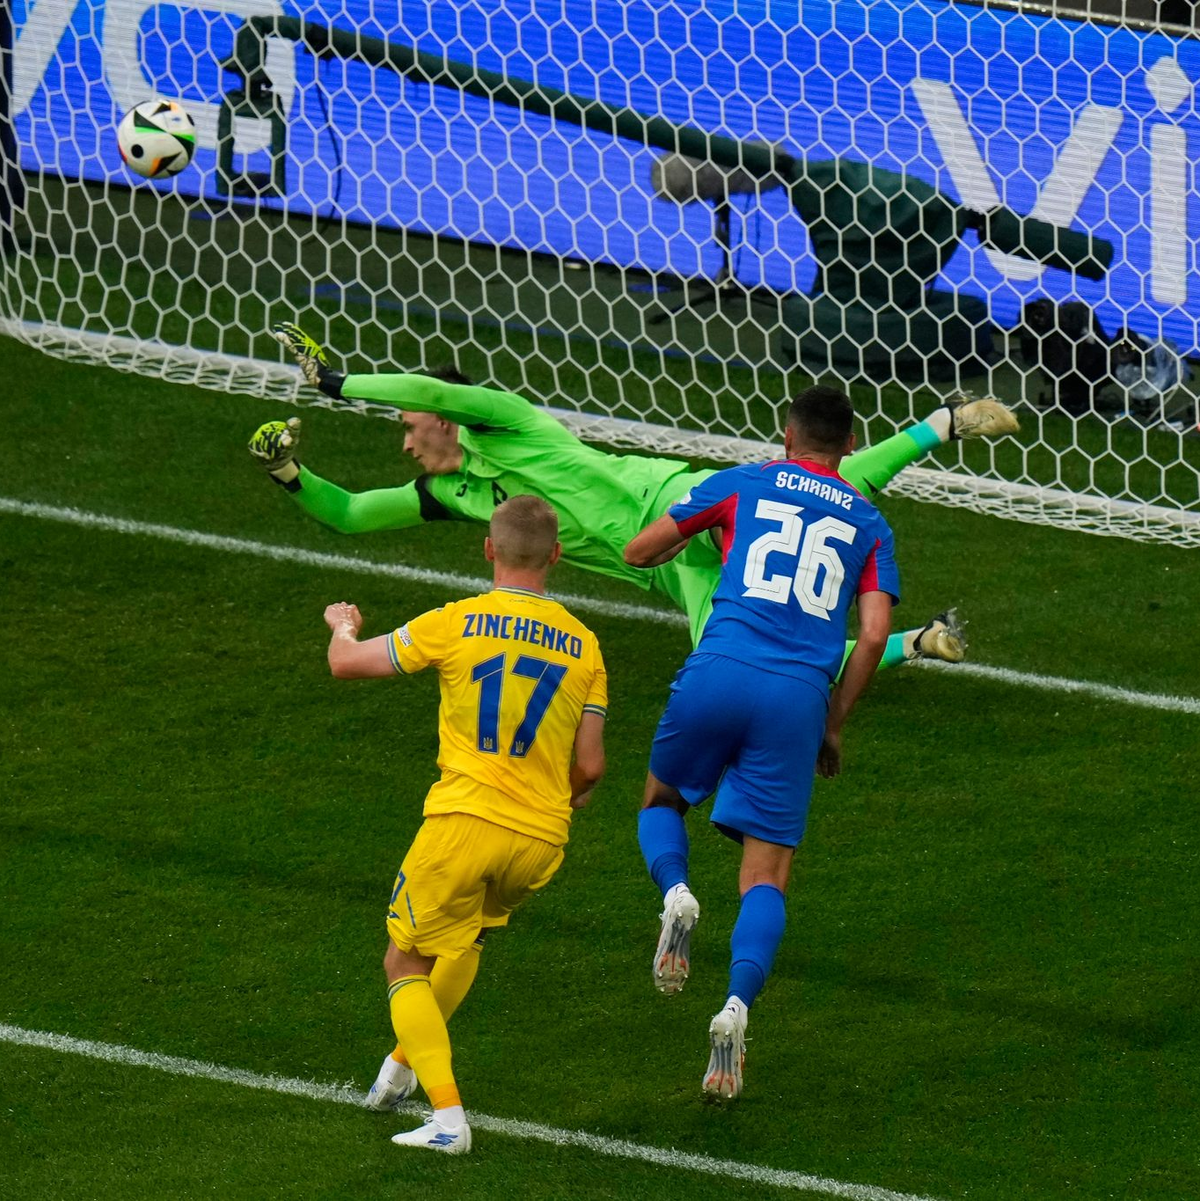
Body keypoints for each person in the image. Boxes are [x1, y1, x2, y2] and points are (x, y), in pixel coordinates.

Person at [253, 320, 1018, 662]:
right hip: (665, 565)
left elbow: (424, 383)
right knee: (756, 654)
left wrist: (335, 381)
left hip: (671, 504)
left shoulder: (505, 422)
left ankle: (944, 424)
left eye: (412, 424)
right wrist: (290, 474)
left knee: (822, 486)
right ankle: (919, 641)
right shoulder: (448, 493)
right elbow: (351, 513)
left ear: (448, 420)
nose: (407, 437)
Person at [624, 384, 898, 1099]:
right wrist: (833, 720)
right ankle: (735, 1008)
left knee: (661, 798)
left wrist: (714, 536)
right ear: (849, 442)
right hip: (795, 701)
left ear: (787, 432)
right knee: (766, 877)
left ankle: (677, 892)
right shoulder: (870, 523)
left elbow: (639, 550)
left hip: (720, 667)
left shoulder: (744, 483)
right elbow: (871, 633)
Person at [322, 495, 607, 1153]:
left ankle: (449, 1121)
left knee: (404, 958)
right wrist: (554, 797)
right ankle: (400, 1066)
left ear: (488, 549)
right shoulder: (586, 645)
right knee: (469, 932)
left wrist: (343, 623)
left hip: (464, 821)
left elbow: (347, 662)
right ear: (556, 556)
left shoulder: (458, 621)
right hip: (541, 838)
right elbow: (590, 767)